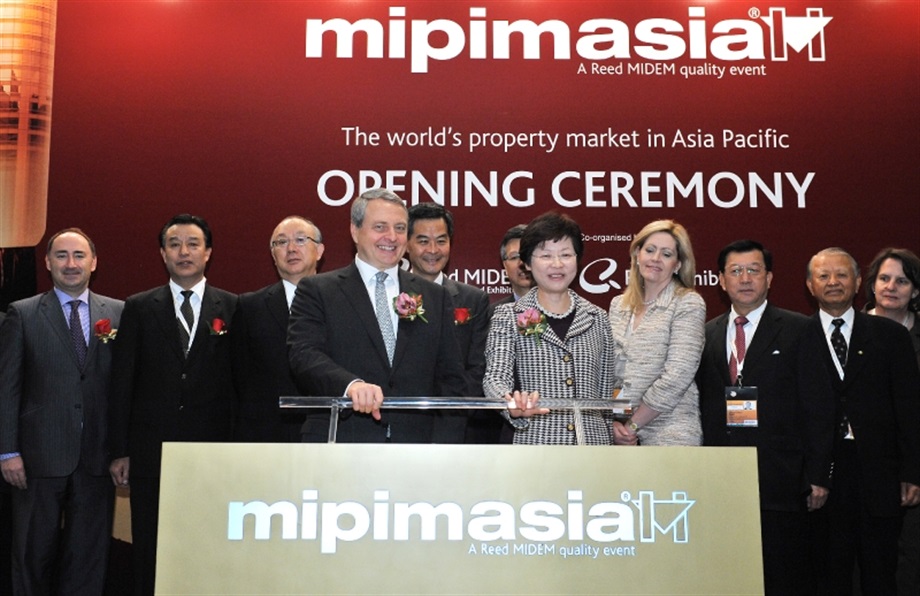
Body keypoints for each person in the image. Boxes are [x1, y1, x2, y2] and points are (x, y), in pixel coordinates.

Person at [108, 214, 238, 596]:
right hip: (150, 452)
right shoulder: (139, 306)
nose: (184, 252)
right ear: (163, 253)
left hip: (211, 451)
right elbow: (122, 384)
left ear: (208, 252)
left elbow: (237, 384)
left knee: (207, 541)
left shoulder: (231, 307)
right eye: (175, 244)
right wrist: (121, 451)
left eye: (193, 244)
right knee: (150, 545)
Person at [696, 239, 835, 595]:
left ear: (769, 278)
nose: (745, 279)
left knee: (782, 576)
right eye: (735, 271)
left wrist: (818, 475)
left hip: (781, 479)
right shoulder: (706, 333)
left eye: (754, 270)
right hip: (721, 478)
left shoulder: (800, 329)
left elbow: (819, 407)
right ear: (721, 281)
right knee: (729, 575)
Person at [288, 188, 468, 443]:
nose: (392, 237)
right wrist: (351, 386)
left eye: (400, 228)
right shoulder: (317, 290)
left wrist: (445, 448)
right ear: (354, 231)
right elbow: (304, 355)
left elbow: (451, 381)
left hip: (418, 448)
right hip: (342, 440)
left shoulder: (435, 296)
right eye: (380, 227)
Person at [0, 228, 124, 595]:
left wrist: (122, 449)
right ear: (48, 262)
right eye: (62, 255)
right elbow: (7, 388)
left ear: (94, 262)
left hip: (97, 457)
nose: (71, 264)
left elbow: (123, 388)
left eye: (79, 255)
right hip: (37, 458)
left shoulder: (118, 312)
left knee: (88, 558)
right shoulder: (21, 314)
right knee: (32, 555)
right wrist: (8, 451)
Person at [805, 247, 920, 596]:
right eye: (823, 276)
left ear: (858, 282)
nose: (833, 282)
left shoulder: (890, 336)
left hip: (879, 475)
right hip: (822, 477)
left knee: (880, 572)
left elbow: (909, 409)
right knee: (829, 574)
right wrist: (808, 475)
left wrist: (911, 472)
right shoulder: (795, 337)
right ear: (810, 285)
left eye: (842, 274)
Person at [483, 212, 615, 445]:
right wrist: (511, 403)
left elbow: (605, 394)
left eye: (565, 254)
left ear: (577, 259)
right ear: (528, 263)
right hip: (536, 445)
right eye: (545, 255)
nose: (557, 264)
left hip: (593, 448)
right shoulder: (508, 316)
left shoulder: (598, 318)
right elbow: (495, 377)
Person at [608, 219, 705, 446]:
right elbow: (606, 373)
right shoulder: (617, 305)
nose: (655, 259)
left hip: (670, 431)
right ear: (637, 255)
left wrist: (633, 424)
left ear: (678, 264)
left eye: (666, 254)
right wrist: (612, 424)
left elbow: (678, 375)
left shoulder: (687, 303)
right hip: (619, 433)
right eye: (650, 250)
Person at [231, 216, 325, 442]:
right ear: (273, 255)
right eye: (281, 243)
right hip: (266, 434)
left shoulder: (341, 301)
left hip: (325, 428)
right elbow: (238, 379)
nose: (291, 248)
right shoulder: (250, 306)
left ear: (319, 251)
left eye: (301, 240)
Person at [406, 203, 491, 443]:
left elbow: (478, 366)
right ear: (406, 244)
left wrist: (454, 409)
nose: (433, 250)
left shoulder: (473, 299)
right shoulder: (393, 295)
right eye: (423, 241)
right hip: (402, 417)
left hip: (456, 423)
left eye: (441, 241)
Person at [862, 247, 920, 596]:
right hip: (863, 468)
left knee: (909, 558)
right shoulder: (846, 332)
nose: (891, 287)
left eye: (902, 280)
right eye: (884, 278)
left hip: (913, 465)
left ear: (915, 290)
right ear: (871, 284)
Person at [490, 224, 532, 314]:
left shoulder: (564, 309)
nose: (522, 263)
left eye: (527, 255)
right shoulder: (493, 315)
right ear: (505, 265)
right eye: (514, 257)